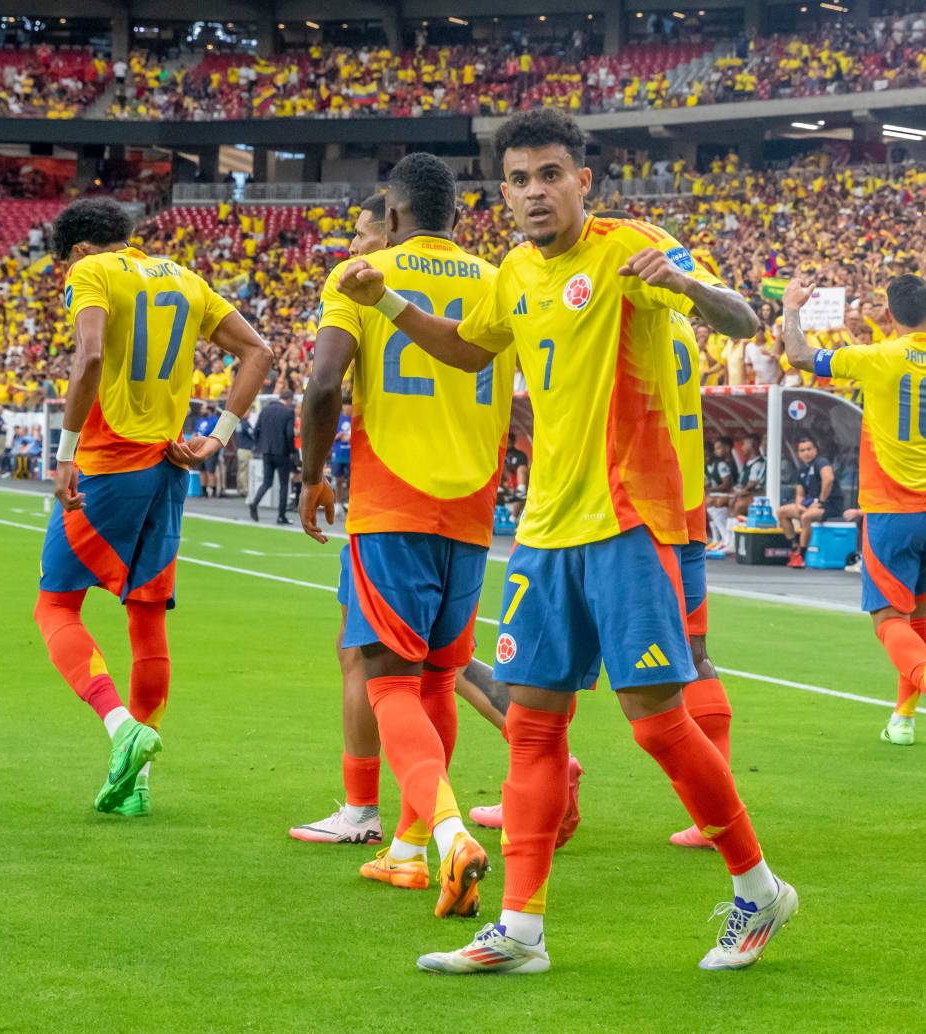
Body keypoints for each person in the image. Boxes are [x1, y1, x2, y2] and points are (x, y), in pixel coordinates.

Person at [337, 109, 795, 974]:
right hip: (543, 533)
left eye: (551, 174)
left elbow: (742, 318)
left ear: (585, 180)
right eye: (519, 179)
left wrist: (690, 287)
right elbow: (469, 353)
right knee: (533, 729)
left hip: (628, 523)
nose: (535, 192)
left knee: (656, 723)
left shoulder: (632, 248)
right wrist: (387, 303)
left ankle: (759, 889)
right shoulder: (511, 271)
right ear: (502, 192)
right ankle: (521, 931)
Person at [300, 152, 516, 918]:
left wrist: (312, 475)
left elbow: (325, 383)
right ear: (457, 214)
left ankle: (451, 834)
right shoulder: (500, 279)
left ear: (391, 213)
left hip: (393, 499)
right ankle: (407, 848)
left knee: (386, 675)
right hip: (474, 505)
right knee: (435, 680)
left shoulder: (360, 274)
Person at [33, 197, 272, 816]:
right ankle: (138, 786)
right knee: (147, 616)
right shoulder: (186, 278)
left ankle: (121, 728)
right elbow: (259, 353)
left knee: (55, 604)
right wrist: (216, 439)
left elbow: (88, 357)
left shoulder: (91, 273)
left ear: (80, 250)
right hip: (171, 467)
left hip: (111, 461)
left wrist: (64, 454)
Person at [783, 273, 926, 746]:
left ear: (888, 316)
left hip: (893, 509)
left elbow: (801, 356)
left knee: (888, 620)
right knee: (918, 621)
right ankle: (902, 721)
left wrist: (791, 307)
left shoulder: (878, 357)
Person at [777, 435, 843, 568]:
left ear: (815, 450)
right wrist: (799, 505)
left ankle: (802, 555)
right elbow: (800, 494)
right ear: (798, 453)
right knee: (781, 512)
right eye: (802, 450)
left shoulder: (821, 462)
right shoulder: (802, 469)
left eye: (808, 449)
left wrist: (821, 501)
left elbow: (828, 479)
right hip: (811, 504)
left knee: (806, 517)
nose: (806, 453)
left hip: (830, 505)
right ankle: (794, 547)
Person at [248, 389, 296, 524]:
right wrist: (292, 451)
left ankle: (255, 502)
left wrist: (259, 445)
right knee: (283, 485)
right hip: (282, 452)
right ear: (290, 399)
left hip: (266, 451)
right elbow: (289, 434)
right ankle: (281, 516)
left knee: (267, 482)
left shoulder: (265, 411)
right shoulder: (288, 412)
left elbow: (256, 429)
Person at [705, 436, 737, 549]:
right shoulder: (705, 466)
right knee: (706, 501)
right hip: (718, 493)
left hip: (729, 493)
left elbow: (727, 485)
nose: (705, 458)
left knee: (713, 502)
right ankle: (716, 538)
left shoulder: (720, 464)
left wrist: (711, 489)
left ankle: (726, 539)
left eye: (706, 455)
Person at [194, 401, 223, 498]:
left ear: (209, 409)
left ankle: (213, 491)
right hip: (199, 448)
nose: (201, 410)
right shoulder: (199, 420)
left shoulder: (216, 420)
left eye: (203, 408)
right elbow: (195, 432)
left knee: (211, 470)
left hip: (210, 447)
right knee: (202, 470)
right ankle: (204, 491)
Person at [330, 399, 352, 516]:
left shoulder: (357, 419)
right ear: (342, 406)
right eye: (346, 405)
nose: (348, 407)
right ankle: (337, 503)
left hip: (352, 454)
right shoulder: (337, 419)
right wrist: (339, 436)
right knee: (338, 480)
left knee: (352, 481)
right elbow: (329, 436)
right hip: (338, 454)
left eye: (350, 405)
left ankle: (350, 503)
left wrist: (351, 438)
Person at [235, 410, 254, 496]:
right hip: (246, 449)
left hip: (240, 449)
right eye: (248, 412)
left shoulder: (238, 423)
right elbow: (252, 434)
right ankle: (245, 489)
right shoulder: (245, 423)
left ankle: (240, 488)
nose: (249, 414)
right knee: (245, 470)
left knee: (241, 470)